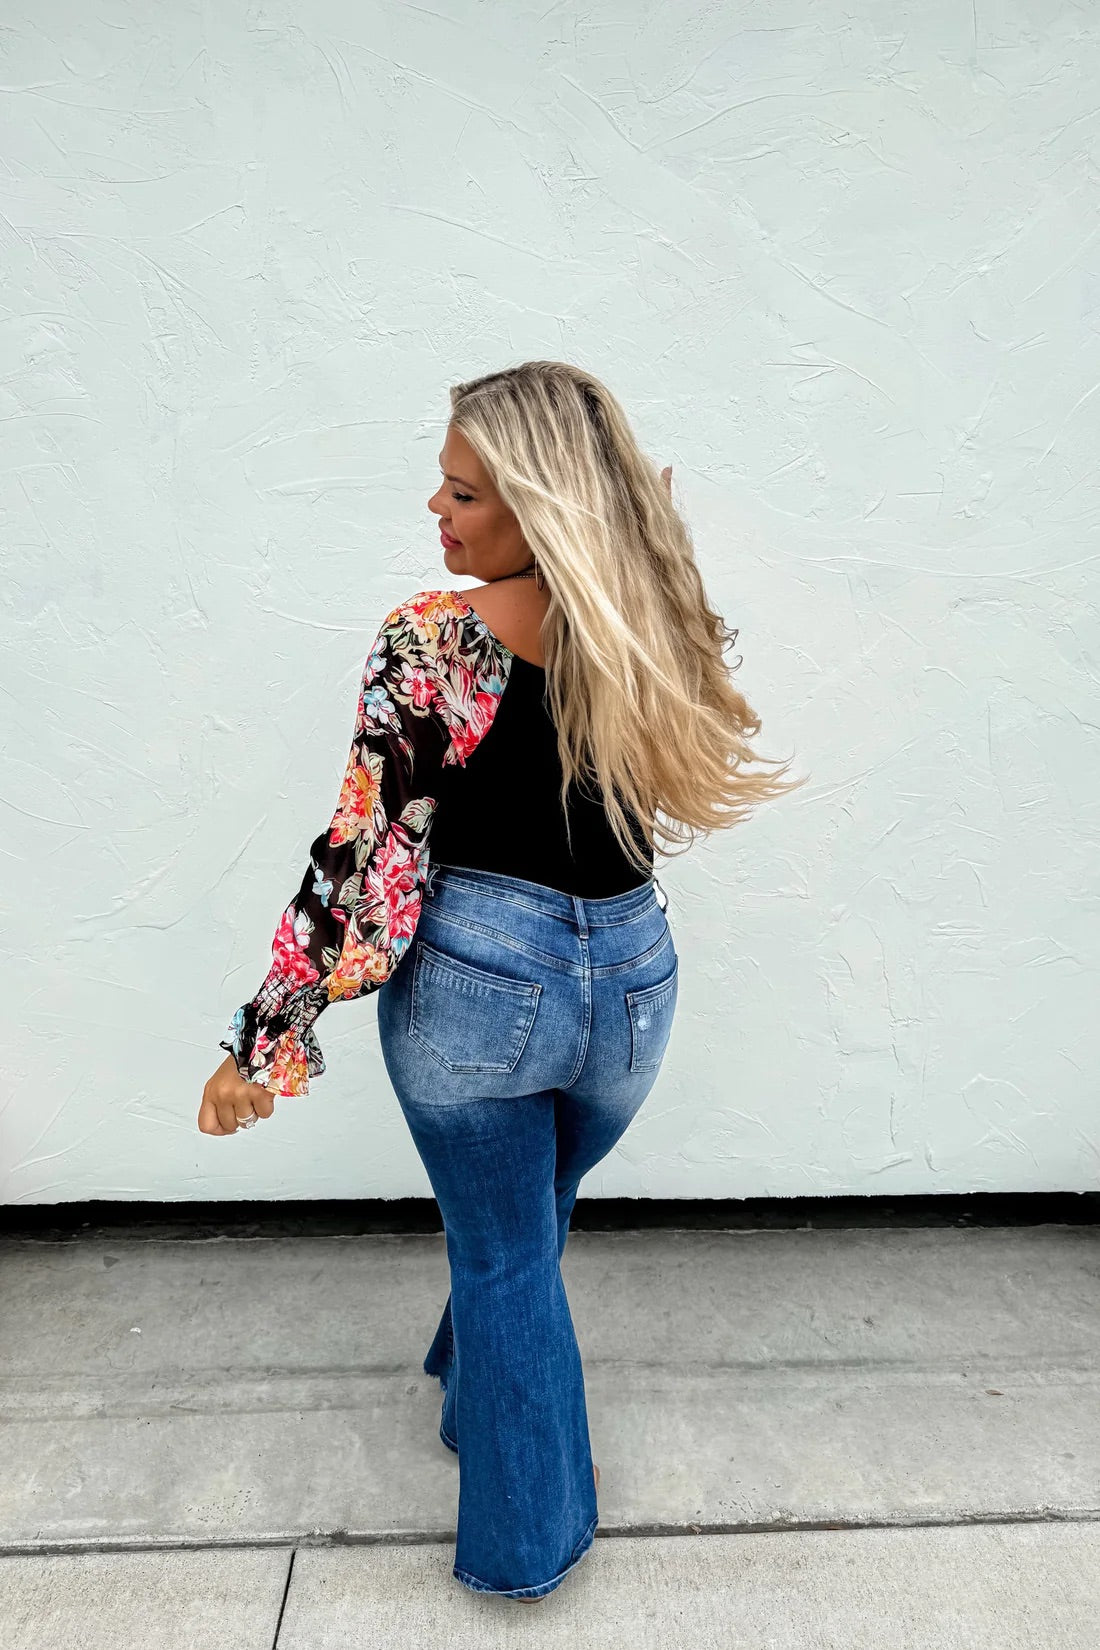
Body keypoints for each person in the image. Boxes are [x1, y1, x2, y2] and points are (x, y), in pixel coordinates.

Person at [197, 360, 806, 1601]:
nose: (437, 507)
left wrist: (265, 1041)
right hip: (631, 986)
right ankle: (476, 1394)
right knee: (524, 1221)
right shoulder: (650, 626)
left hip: (483, 985)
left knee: (504, 1255)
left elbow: (365, 853)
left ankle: (527, 1551)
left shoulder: (434, 641)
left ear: (538, 506)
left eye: (466, 491)